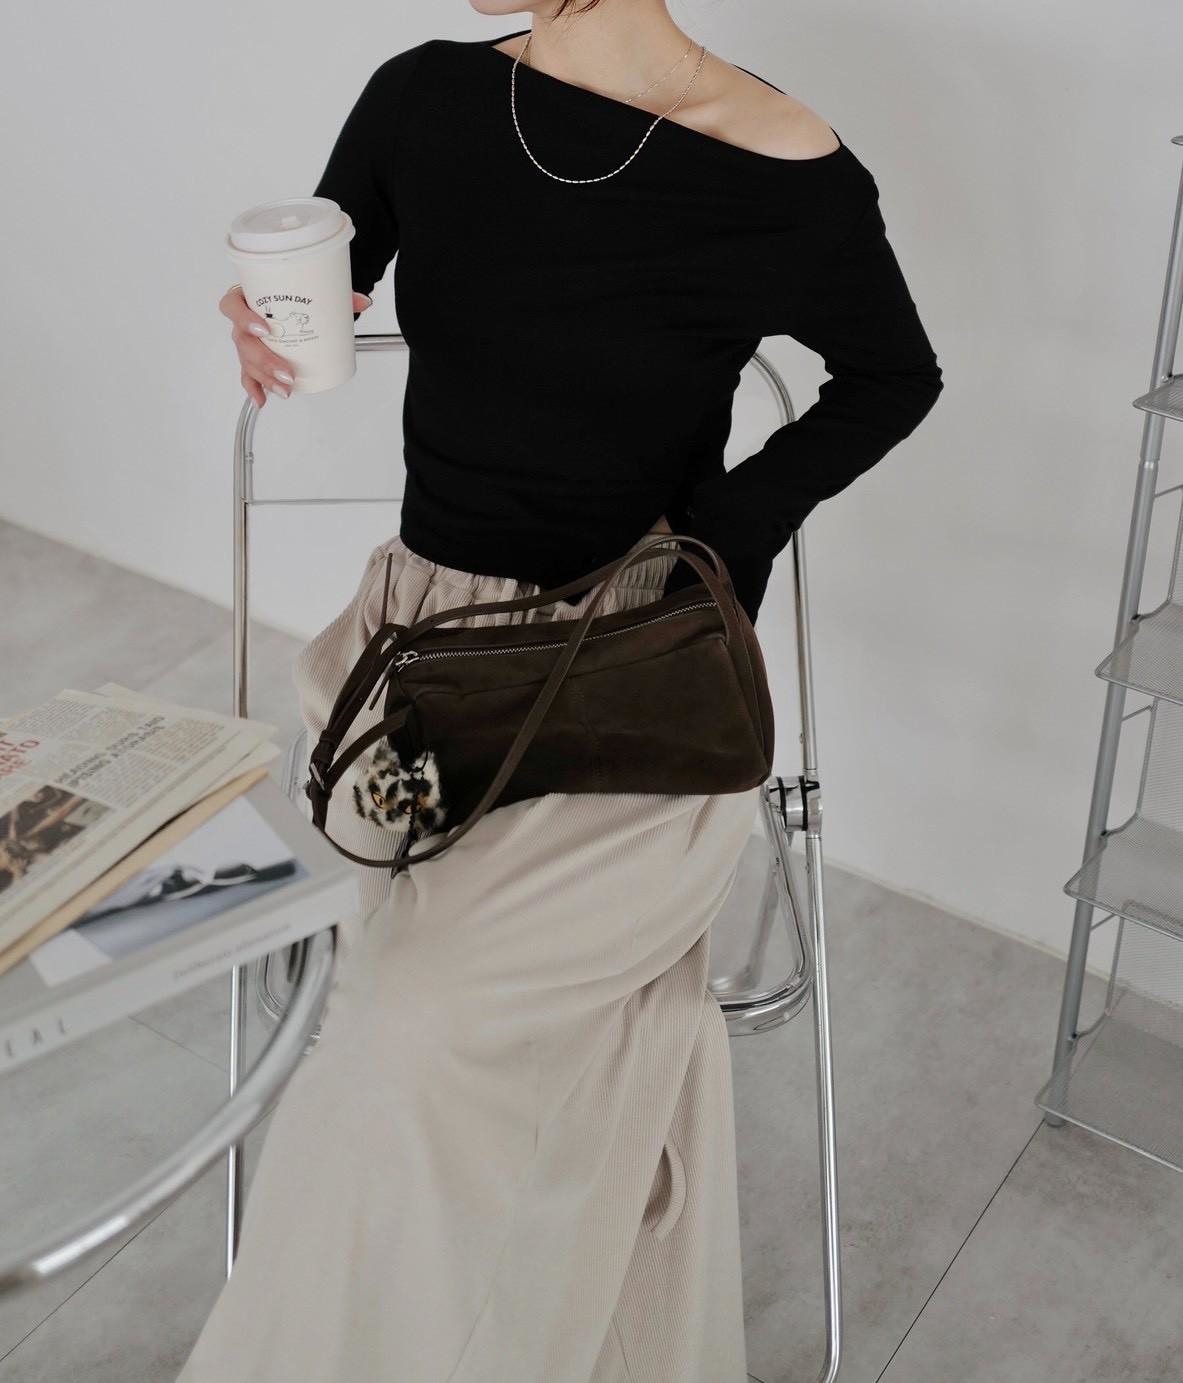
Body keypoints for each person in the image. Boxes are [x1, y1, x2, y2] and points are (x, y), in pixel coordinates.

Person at [185, 2, 943, 1380]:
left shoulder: (787, 170)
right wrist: (269, 311)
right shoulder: (422, 98)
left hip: (629, 683)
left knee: (407, 1034)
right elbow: (324, 276)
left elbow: (896, 375)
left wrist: (724, 533)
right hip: (421, 665)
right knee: (450, 1031)